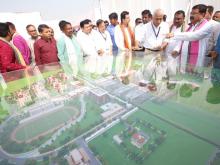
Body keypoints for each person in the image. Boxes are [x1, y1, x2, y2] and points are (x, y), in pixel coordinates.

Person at [167, 4, 213, 73]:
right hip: (184, 58)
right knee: (183, 79)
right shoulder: (191, 26)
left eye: (194, 13)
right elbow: (184, 39)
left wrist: (174, 34)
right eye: (191, 13)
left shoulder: (207, 25)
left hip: (196, 59)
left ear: (203, 14)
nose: (191, 15)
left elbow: (194, 36)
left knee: (193, 80)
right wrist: (177, 49)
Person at [138, 9, 169, 81]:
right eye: (156, 19)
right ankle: (146, 87)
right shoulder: (145, 27)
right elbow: (140, 41)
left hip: (160, 52)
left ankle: (156, 87)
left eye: (160, 19)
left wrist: (162, 46)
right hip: (148, 53)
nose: (158, 21)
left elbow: (166, 39)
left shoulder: (165, 25)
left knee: (159, 73)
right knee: (147, 72)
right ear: (152, 17)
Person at [165, 10, 186, 76]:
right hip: (167, 54)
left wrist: (177, 50)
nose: (176, 20)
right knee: (165, 74)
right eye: (175, 18)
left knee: (173, 74)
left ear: (183, 18)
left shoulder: (186, 28)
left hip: (176, 55)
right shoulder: (171, 26)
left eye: (178, 19)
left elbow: (183, 41)